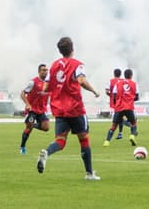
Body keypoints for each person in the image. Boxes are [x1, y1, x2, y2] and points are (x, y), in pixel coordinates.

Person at [36, 36, 103, 181]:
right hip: (75, 108)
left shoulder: (53, 66)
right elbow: (81, 81)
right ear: (72, 49)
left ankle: (47, 152)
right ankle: (89, 174)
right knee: (84, 139)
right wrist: (94, 91)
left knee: (60, 141)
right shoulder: (77, 65)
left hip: (59, 109)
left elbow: (46, 87)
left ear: (60, 51)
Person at [19, 63, 51, 155]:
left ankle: (32, 125)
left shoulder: (49, 83)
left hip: (42, 110)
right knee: (28, 129)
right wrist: (27, 104)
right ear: (39, 72)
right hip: (32, 109)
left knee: (46, 128)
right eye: (43, 70)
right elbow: (22, 93)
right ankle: (22, 147)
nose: (45, 72)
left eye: (46, 70)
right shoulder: (33, 82)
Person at [104, 67, 139, 147]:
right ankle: (132, 136)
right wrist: (130, 99)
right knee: (134, 122)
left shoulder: (118, 83)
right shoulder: (134, 84)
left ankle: (107, 141)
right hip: (129, 107)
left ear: (124, 75)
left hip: (119, 107)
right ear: (131, 75)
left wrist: (116, 103)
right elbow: (137, 97)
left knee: (114, 125)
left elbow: (114, 95)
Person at [105, 68, 125, 140]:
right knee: (120, 117)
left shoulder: (111, 81)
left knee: (118, 118)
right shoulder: (123, 81)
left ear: (114, 74)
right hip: (123, 102)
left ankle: (129, 125)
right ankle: (121, 133)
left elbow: (107, 91)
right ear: (120, 74)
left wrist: (111, 96)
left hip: (115, 102)